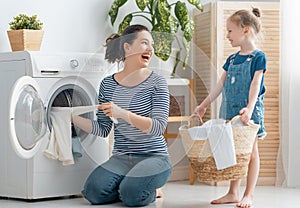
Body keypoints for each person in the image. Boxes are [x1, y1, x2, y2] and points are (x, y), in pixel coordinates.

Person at [72, 24, 172, 207]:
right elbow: (103, 129)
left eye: (152, 45)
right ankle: (130, 185)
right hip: (121, 158)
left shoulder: (157, 82)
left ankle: (151, 190)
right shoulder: (107, 85)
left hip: (154, 157)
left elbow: (159, 127)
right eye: (144, 43)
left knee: (132, 195)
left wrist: (122, 113)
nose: (150, 49)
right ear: (127, 47)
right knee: (93, 193)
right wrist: (71, 117)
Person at [193, 8, 267, 208]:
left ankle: (248, 194)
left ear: (246, 30)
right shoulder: (232, 59)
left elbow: (255, 85)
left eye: (230, 31)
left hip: (248, 111)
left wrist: (250, 109)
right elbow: (220, 85)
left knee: (251, 152)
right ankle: (233, 192)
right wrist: (203, 105)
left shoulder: (258, 58)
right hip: (229, 111)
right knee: (233, 151)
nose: (227, 35)